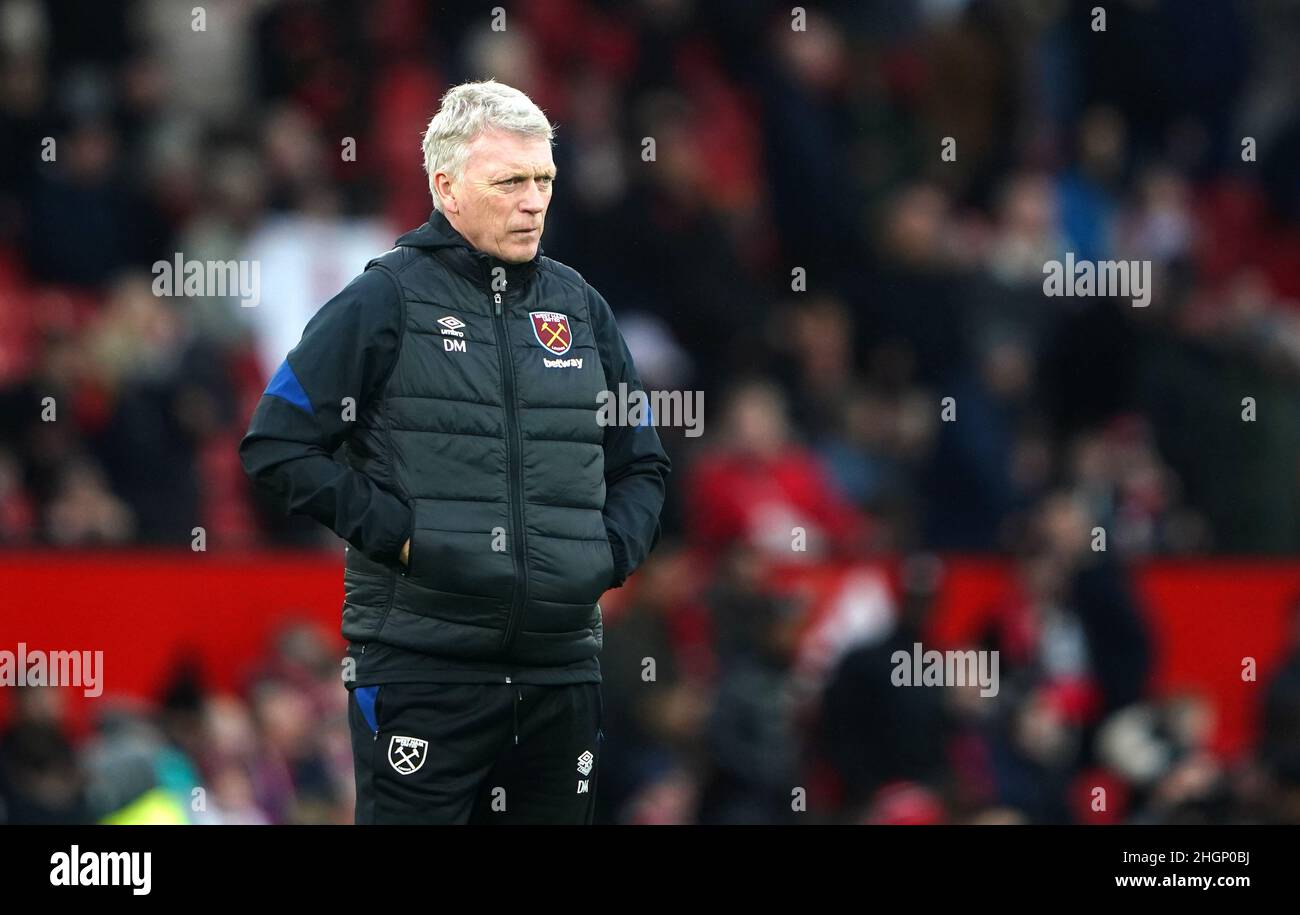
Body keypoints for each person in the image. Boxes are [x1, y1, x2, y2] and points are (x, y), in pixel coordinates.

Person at [239, 80, 671, 824]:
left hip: (560, 673)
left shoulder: (580, 308)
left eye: (544, 181)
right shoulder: (384, 299)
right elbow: (276, 443)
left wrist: (604, 556)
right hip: (421, 671)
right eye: (510, 181)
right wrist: (402, 536)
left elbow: (643, 462)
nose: (533, 201)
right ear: (446, 186)